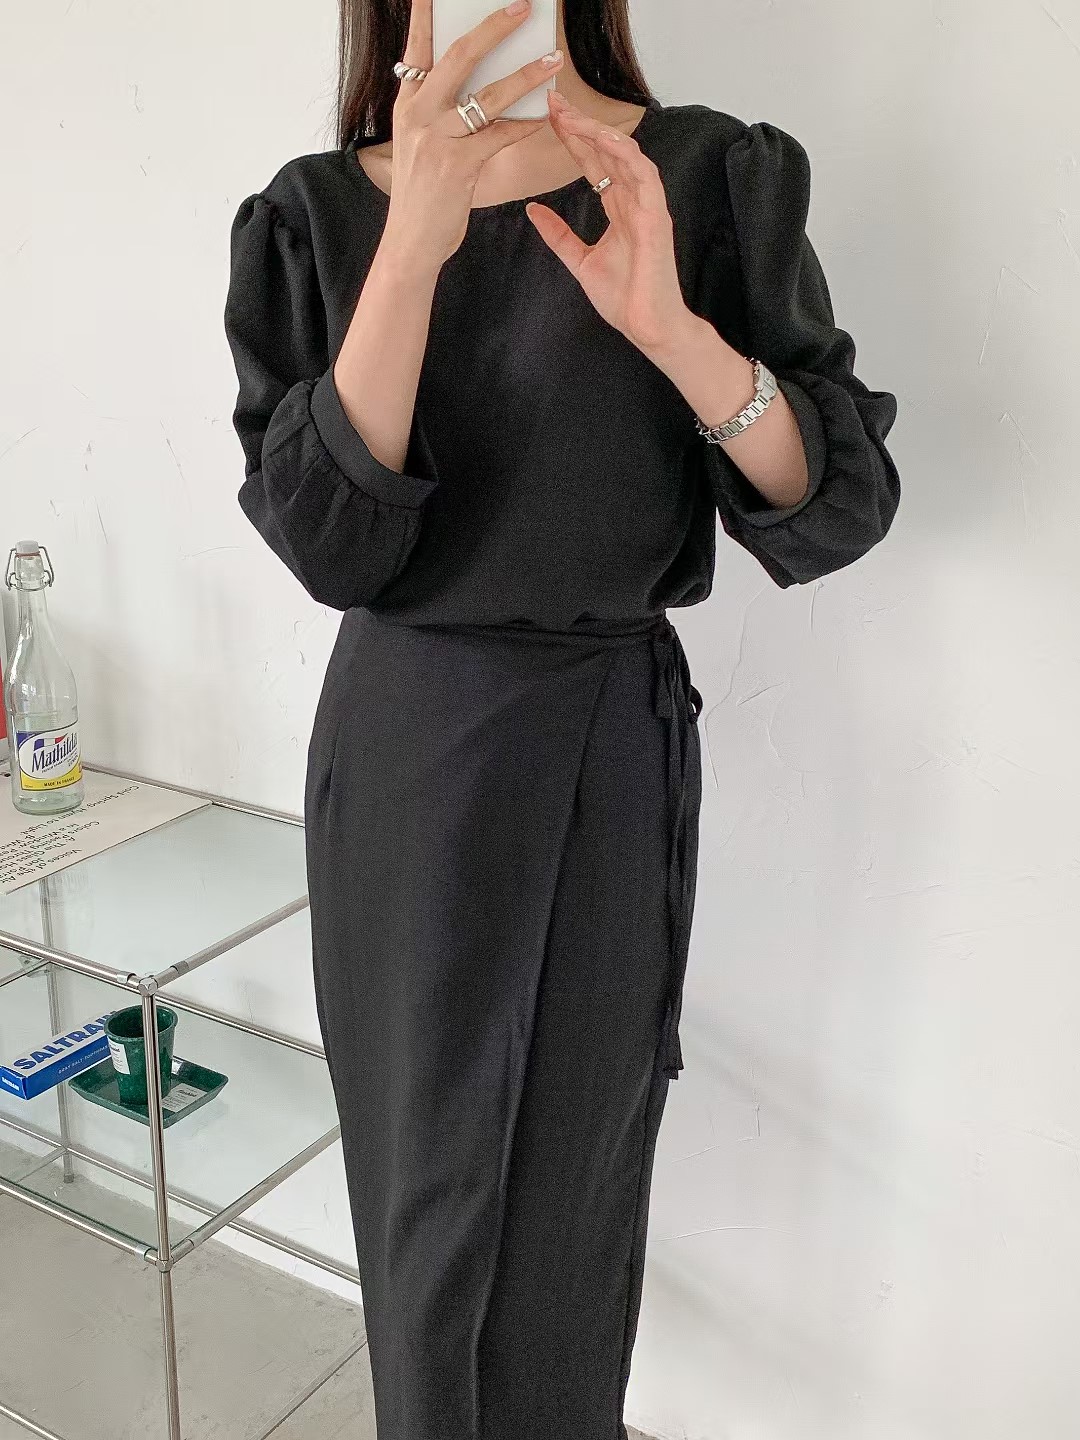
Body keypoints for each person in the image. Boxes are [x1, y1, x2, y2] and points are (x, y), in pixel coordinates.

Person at [223, 0, 901, 1434]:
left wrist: (674, 333)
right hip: (404, 756)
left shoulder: (707, 174)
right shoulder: (313, 215)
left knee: (570, 1204)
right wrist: (413, 244)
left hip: (604, 747)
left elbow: (833, 506)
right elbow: (330, 544)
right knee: (422, 1206)